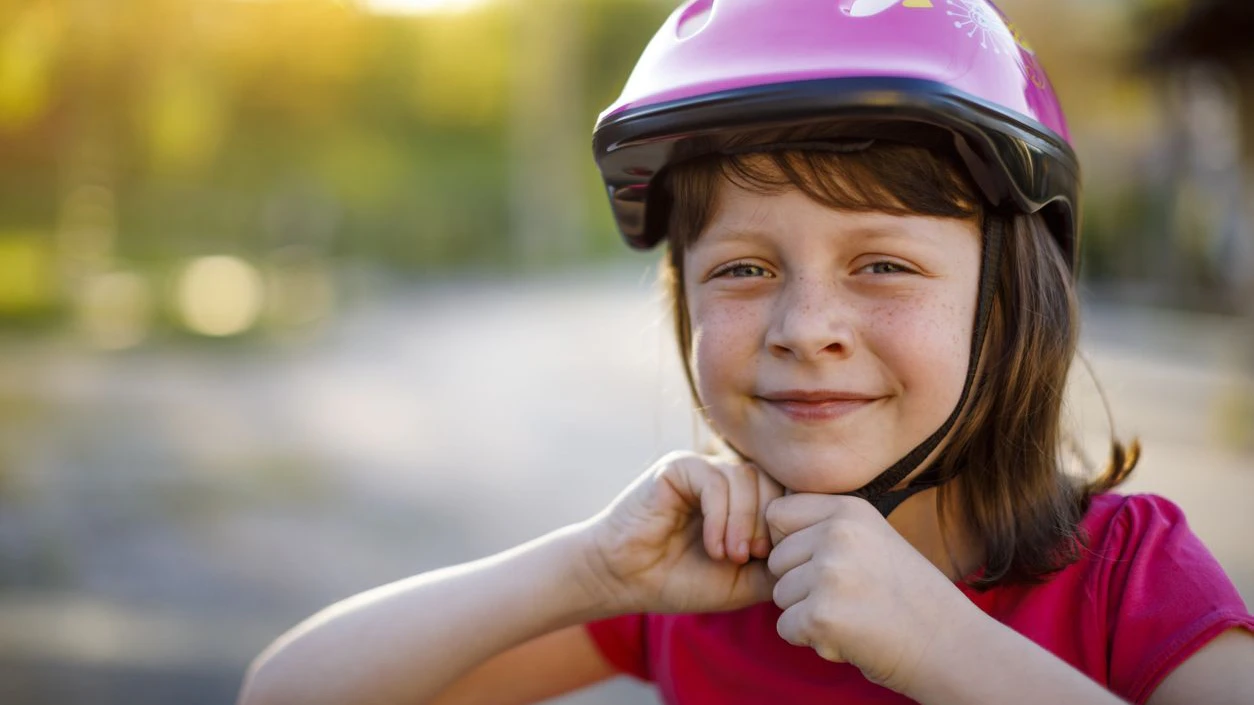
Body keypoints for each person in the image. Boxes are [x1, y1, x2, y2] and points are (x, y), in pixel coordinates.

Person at [238, 1, 1254, 703]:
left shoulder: (1128, 580)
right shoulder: (702, 584)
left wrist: (947, 649)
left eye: (884, 266)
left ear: (1011, 300)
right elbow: (286, 691)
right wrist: (590, 568)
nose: (805, 327)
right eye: (744, 270)